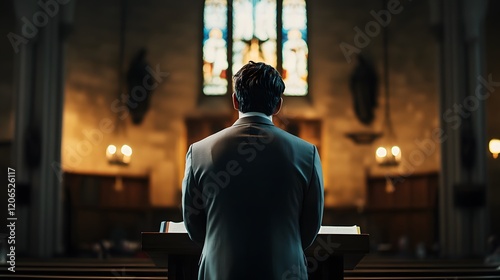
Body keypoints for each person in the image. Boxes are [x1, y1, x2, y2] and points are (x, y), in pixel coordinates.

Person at [182, 61, 324, 280]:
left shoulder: (199, 151)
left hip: (220, 270)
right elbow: (310, 226)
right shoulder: (307, 153)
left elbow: (194, 225)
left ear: (235, 100)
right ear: (278, 106)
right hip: (284, 269)